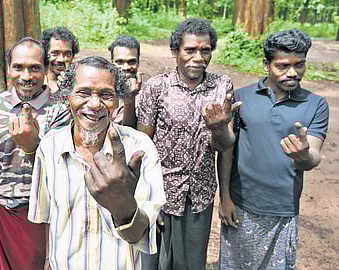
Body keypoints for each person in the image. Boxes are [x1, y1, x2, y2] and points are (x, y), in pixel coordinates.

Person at [27, 56, 166, 270]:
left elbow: (143, 234)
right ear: (68, 97)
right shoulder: (49, 147)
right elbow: (47, 217)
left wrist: (123, 206)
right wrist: (48, 260)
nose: (94, 104)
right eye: (83, 93)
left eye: (106, 95)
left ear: (117, 101)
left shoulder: (139, 148)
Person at [218, 29, 329, 270]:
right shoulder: (241, 98)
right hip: (241, 205)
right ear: (266, 65)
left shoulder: (316, 105)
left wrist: (303, 155)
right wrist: (225, 197)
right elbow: (226, 151)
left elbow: (312, 157)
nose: (293, 72)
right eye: (283, 65)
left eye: (300, 65)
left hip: (283, 209)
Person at [137, 18, 241, 270]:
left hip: (200, 196)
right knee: (153, 262)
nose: (198, 57)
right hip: (160, 195)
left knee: (191, 264)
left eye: (205, 50)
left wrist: (225, 196)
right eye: (190, 50)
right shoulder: (156, 87)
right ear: (175, 52)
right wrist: (146, 198)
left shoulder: (222, 87)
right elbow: (142, 146)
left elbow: (226, 146)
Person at [0, 37, 71, 269]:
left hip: (40, 211)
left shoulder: (61, 108)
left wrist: (31, 146)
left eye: (35, 68)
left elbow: (61, 167)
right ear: (8, 68)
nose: (26, 76)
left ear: (46, 69)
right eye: (18, 67)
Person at [108, 35, 143, 127]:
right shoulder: (102, 88)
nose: (126, 67)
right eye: (120, 62)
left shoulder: (146, 95)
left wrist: (130, 99)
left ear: (138, 63)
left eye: (132, 62)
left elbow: (130, 131)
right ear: (111, 63)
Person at [40, 26, 80, 94]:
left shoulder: (79, 83)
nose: (61, 59)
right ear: (45, 54)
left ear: (73, 57)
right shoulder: (37, 82)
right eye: (55, 53)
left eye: (67, 54)